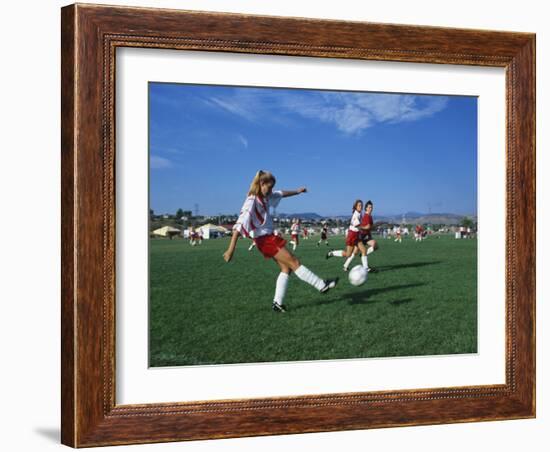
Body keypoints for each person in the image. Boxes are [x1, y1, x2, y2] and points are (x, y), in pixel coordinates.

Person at [223, 170, 338, 312]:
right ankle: (321, 285)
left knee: (286, 268)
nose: (271, 191)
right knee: (294, 262)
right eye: (269, 187)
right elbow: (239, 225)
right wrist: (230, 250)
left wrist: (297, 191)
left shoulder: (266, 196)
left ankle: (277, 303)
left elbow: (281, 193)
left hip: (267, 238)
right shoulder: (252, 200)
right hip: (265, 240)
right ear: (261, 183)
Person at [326, 200, 370, 271]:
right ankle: (332, 253)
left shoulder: (359, 213)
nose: (361, 207)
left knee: (364, 250)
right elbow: (358, 226)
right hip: (352, 235)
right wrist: (366, 227)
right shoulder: (356, 214)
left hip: (356, 235)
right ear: (355, 206)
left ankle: (366, 268)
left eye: (361, 205)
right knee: (348, 254)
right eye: (359, 205)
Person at [342, 200, 378, 272]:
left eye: (372, 207)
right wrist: (367, 228)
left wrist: (369, 230)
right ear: (366, 208)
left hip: (361, 236)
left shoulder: (364, 215)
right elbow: (361, 227)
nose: (371, 208)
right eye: (369, 207)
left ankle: (364, 266)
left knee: (370, 247)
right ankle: (333, 253)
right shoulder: (365, 216)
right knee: (350, 254)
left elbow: (367, 227)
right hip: (358, 236)